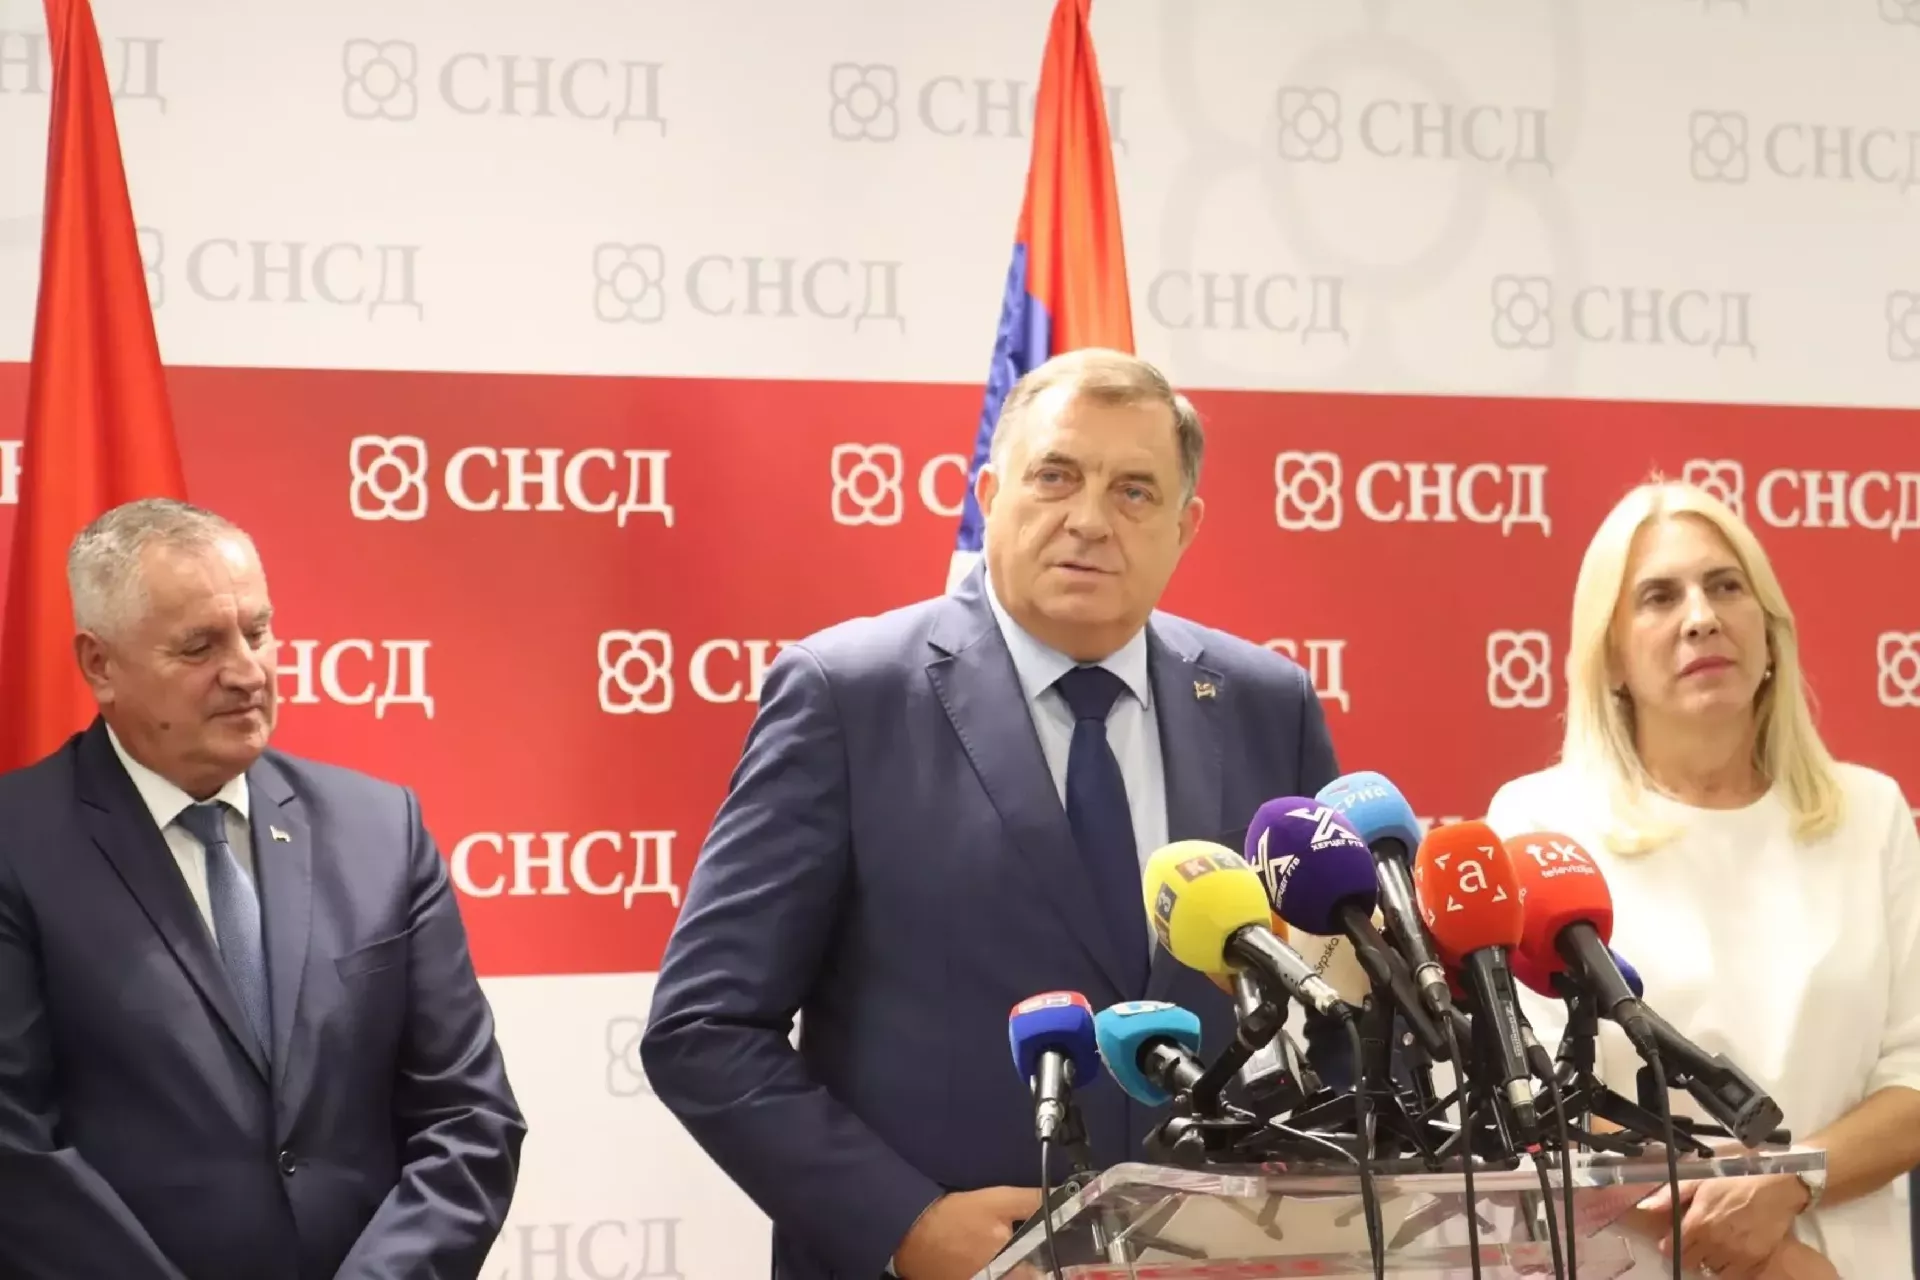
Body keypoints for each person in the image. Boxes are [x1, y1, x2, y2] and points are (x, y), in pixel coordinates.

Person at [642, 348, 1343, 1280]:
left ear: (1185, 527)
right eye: (1055, 476)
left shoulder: (1265, 702)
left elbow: (1340, 998)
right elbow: (704, 1029)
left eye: (1134, 491)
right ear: (988, 495)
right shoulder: (848, 695)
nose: (1088, 519)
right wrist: (903, 1226)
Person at [0, 498, 526, 1279]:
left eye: (258, 631)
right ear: (100, 664)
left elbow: (468, 1118)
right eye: (200, 646)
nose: (247, 672)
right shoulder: (17, 845)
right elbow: (15, 1150)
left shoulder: (383, 831)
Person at [1485, 478, 1920, 1279]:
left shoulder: (1872, 815)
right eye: (1659, 597)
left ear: (1770, 634)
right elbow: (1537, 1096)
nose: (1701, 617)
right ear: (1612, 655)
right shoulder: (1539, 822)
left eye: (1726, 587)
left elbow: (1913, 1080)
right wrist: (1771, 1259)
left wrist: (1788, 1185)